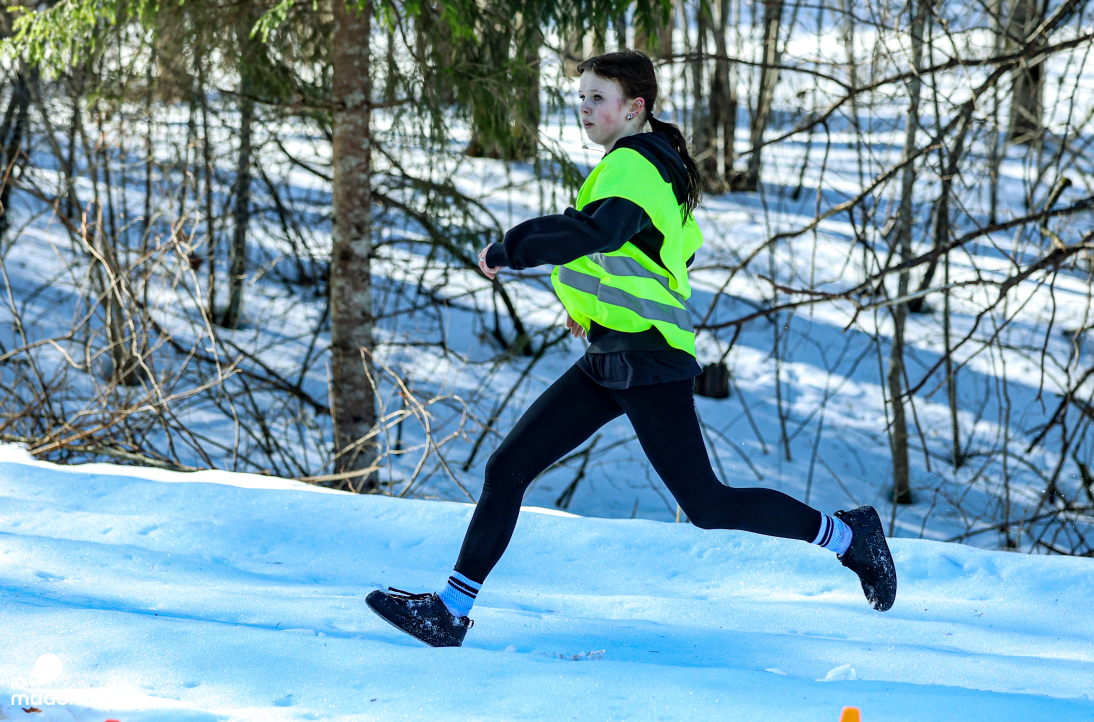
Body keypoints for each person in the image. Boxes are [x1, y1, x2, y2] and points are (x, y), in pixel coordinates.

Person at [366, 50, 896, 648]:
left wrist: (510, 249)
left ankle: (849, 537)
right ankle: (450, 611)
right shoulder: (641, 166)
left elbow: (595, 232)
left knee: (707, 504)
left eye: (598, 97)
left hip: (648, 360)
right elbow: (651, 252)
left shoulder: (636, 164)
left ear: (634, 107)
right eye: (581, 97)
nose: (584, 108)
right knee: (507, 468)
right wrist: (592, 308)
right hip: (610, 356)